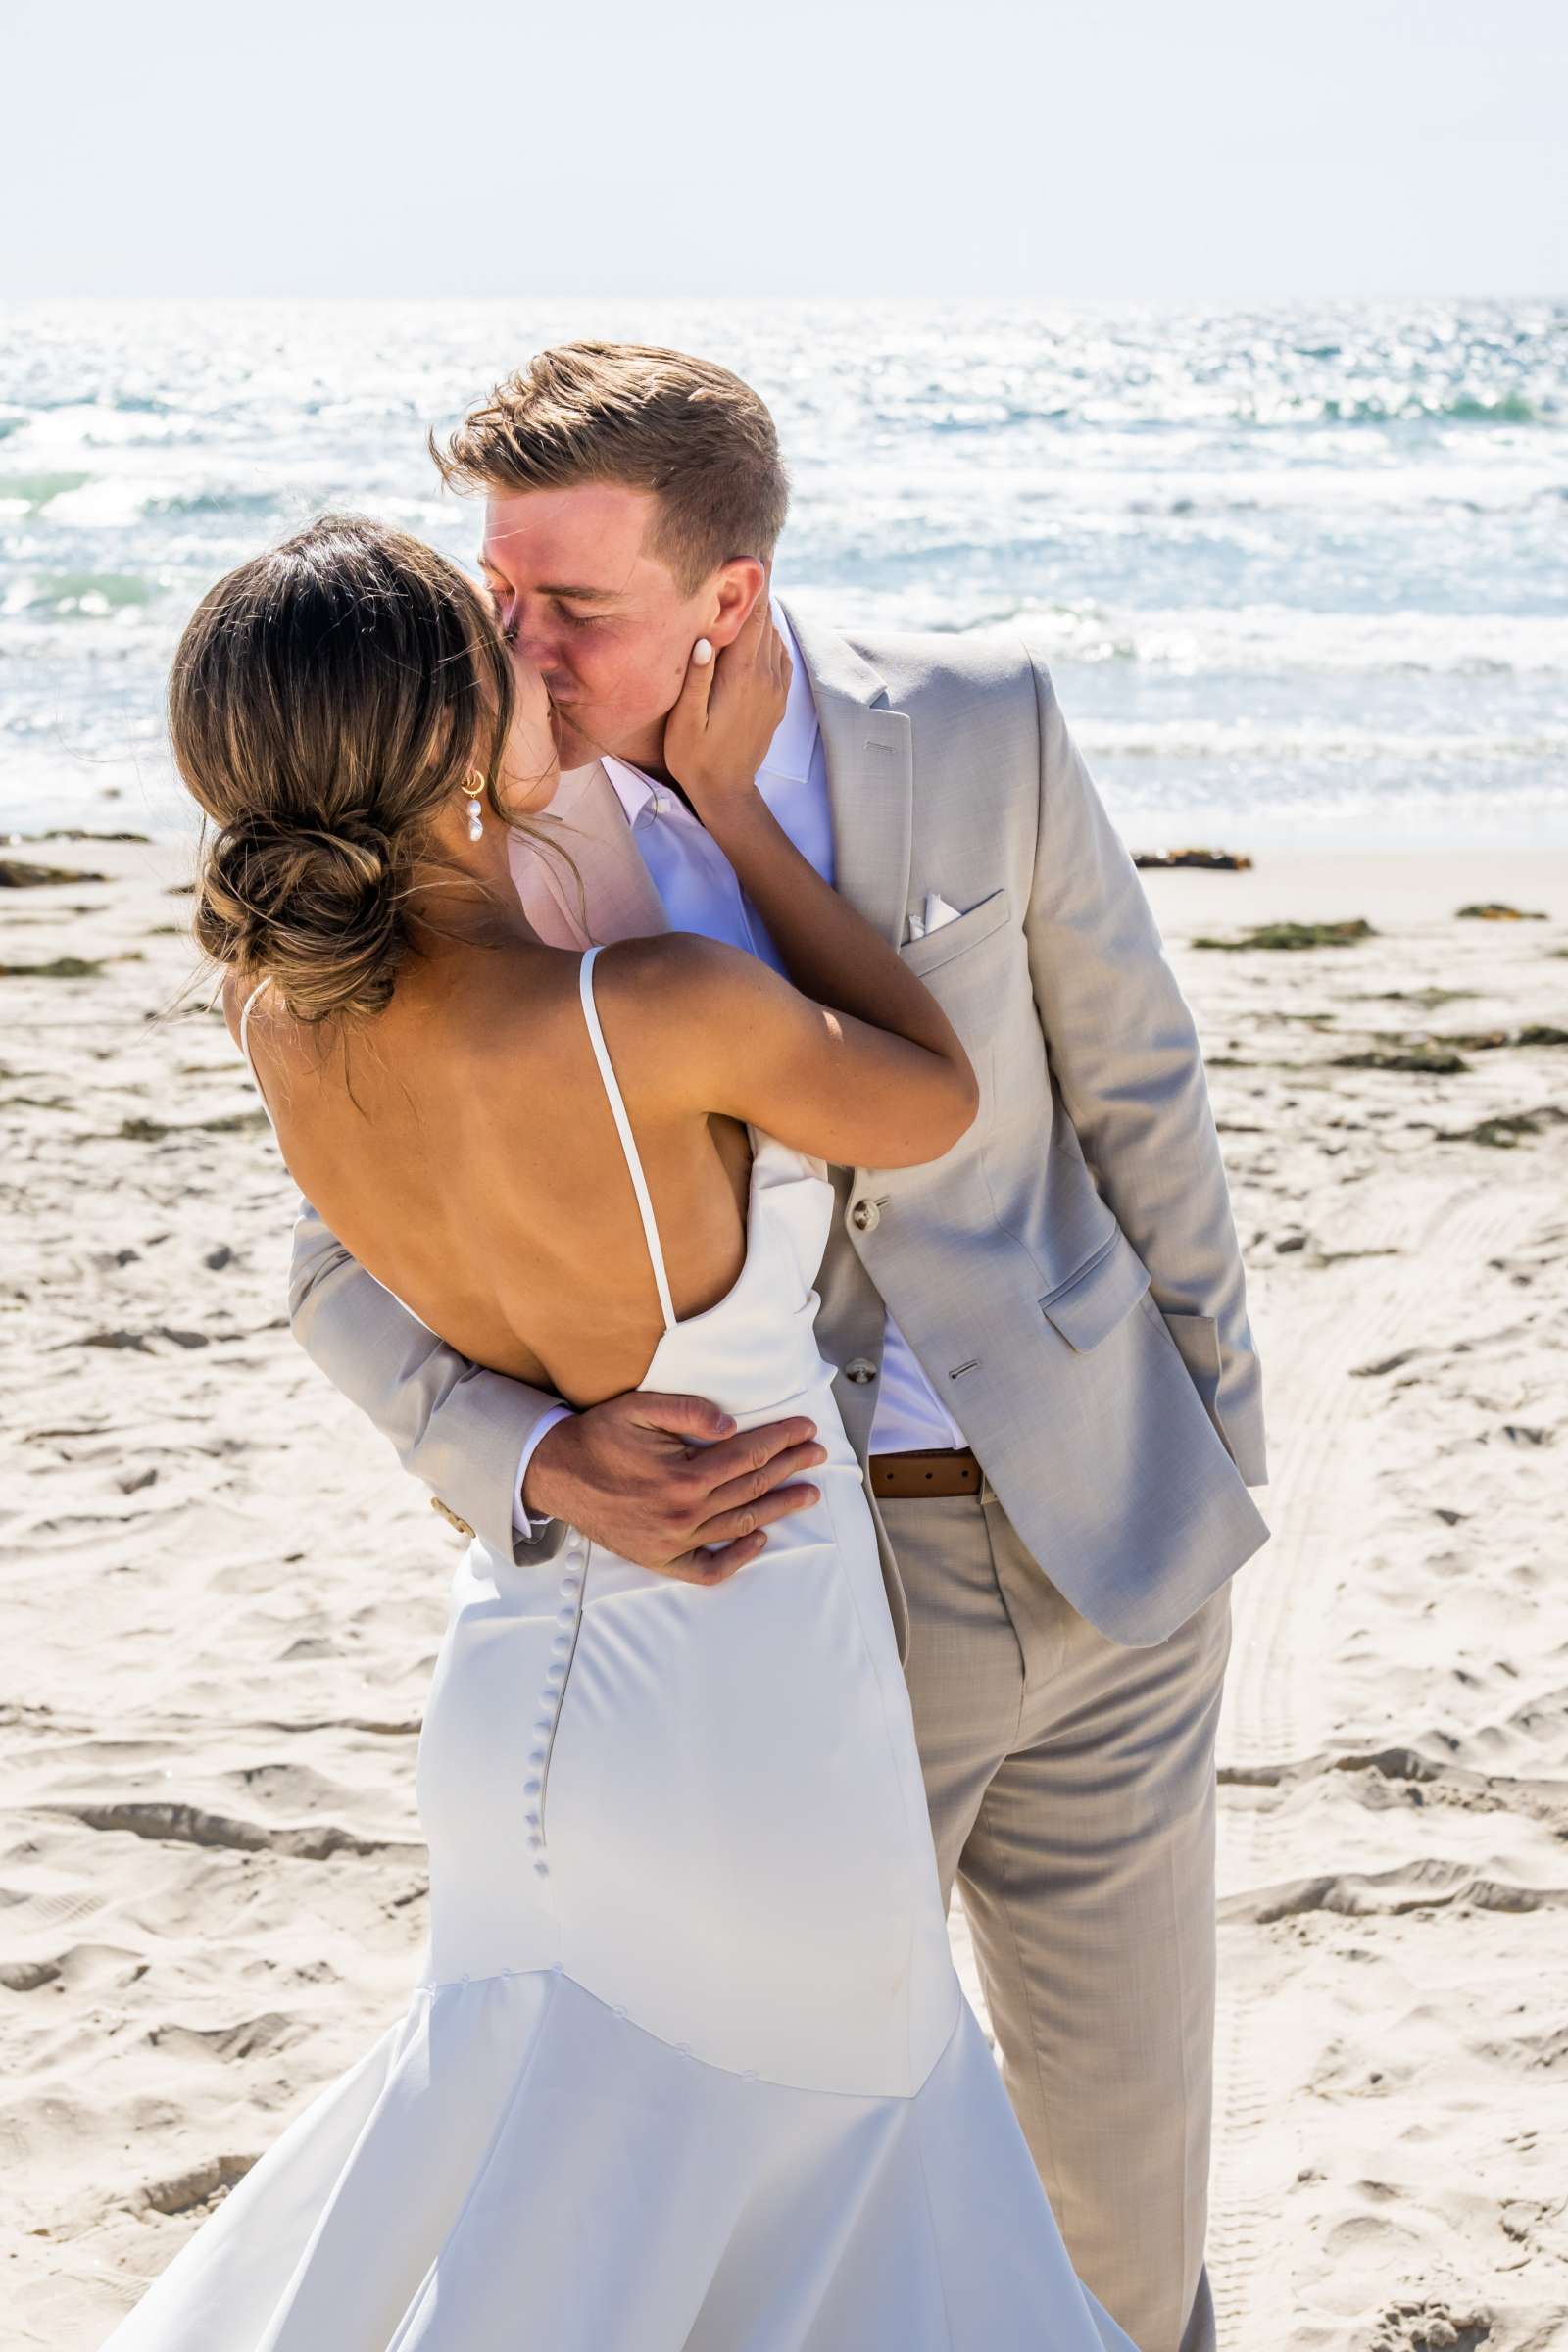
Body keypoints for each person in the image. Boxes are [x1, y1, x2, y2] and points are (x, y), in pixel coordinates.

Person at [290, 346, 1270, 2352]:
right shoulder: (480, 838)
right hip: (779, 1596)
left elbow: (1133, 1085)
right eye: (497, 591)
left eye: (574, 607)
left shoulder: (981, 714)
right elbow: (332, 1250)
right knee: (808, 2187)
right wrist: (522, 1463)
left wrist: (1205, 1435)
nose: (517, 645)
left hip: (1106, 1544)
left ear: (724, 596)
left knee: (1117, 2178)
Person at [106, 513, 1133, 2348]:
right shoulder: (649, 1008)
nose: (533, 643)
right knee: (854, 2188)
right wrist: (737, 817)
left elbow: (345, 1272)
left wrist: (522, 1452)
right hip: (750, 1708)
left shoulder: (286, 1016)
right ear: (440, 734)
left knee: (547, 2188)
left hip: (518, 1696)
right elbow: (935, 1093)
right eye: (495, 637)